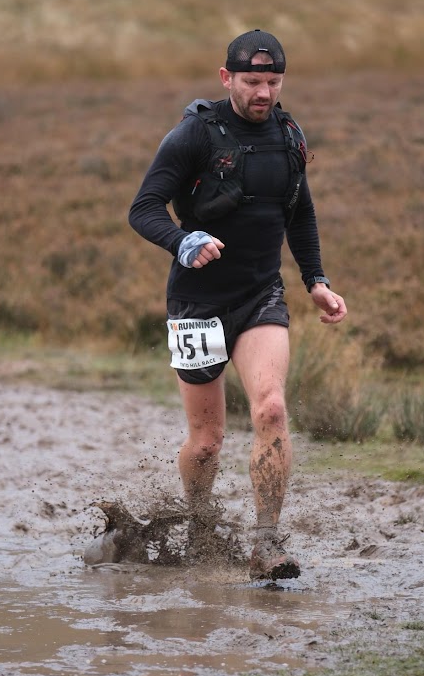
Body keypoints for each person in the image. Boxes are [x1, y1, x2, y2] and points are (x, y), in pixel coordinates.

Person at [128, 29, 347, 580]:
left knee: (271, 408)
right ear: (227, 78)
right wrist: (184, 240)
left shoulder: (288, 134)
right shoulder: (192, 135)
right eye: (252, 81)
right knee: (207, 442)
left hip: (260, 295)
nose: (264, 93)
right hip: (197, 301)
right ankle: (201, 527)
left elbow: (299, 213)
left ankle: (265, 544)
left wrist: (316, 279)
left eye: (273, 82)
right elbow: (144, 207)